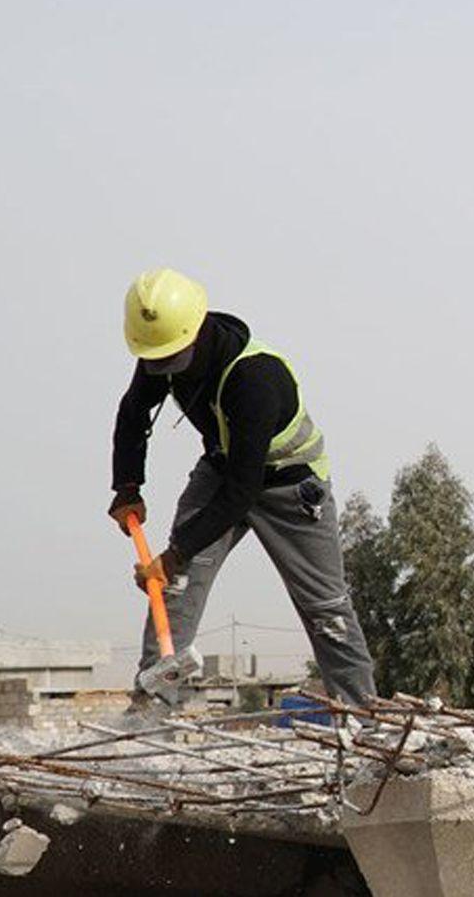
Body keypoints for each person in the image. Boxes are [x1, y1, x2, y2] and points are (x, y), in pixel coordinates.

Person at [110, 268, 377, 706]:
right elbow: (133, 413)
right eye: (155, 359)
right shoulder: (164, 351)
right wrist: (126, 485)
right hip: (221, 469)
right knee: (175, 589)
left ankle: (364, 717)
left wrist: (176, 552)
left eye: (170, 358)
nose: (161, 368)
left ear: (197, 330)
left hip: (291, 486)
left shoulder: (254, 377)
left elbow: (242, 490)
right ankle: (151, 713)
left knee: (327, 609)